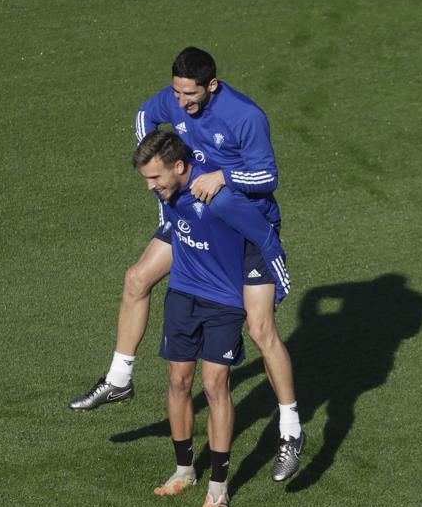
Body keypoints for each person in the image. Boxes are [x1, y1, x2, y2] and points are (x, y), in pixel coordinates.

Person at [69, 47, 305, 480]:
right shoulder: (175, 99)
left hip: (245, 225)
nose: (181, 103)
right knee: (137, 278)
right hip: (194, 212)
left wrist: (223, 176)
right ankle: (119, 378)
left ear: (211, 85)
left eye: (190, 95)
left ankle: (290, 430)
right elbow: (145, 115)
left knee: (260, 329)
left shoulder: (245, 116)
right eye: (176, 93)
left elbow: (268, 177)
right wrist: (163, 183)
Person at [132, 130, 290, 507]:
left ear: (179, 166)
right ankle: (184, 470)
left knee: (215, 384)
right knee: (177, 380)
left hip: (224, 302)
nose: (150, 186)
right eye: (146, 179)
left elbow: (265, 235)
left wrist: (280, 284)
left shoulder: (220, 200)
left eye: (155, 177)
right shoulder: (167, 194)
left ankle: (218, 486)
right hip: (182, 295)